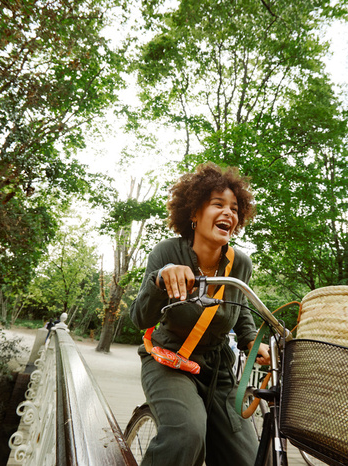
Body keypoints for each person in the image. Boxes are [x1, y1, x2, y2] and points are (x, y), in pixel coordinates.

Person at [130, 162, 270, 466]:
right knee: (187, 433)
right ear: (194, 213)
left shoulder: (240, 264)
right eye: (218, 204)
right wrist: (161, 278)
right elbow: (139, 318)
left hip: (218, 368)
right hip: (170, 359)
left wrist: (250, 340)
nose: (228, 213)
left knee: (247, 456)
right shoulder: (167, 253)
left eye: (234, 208)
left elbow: (240, 305)